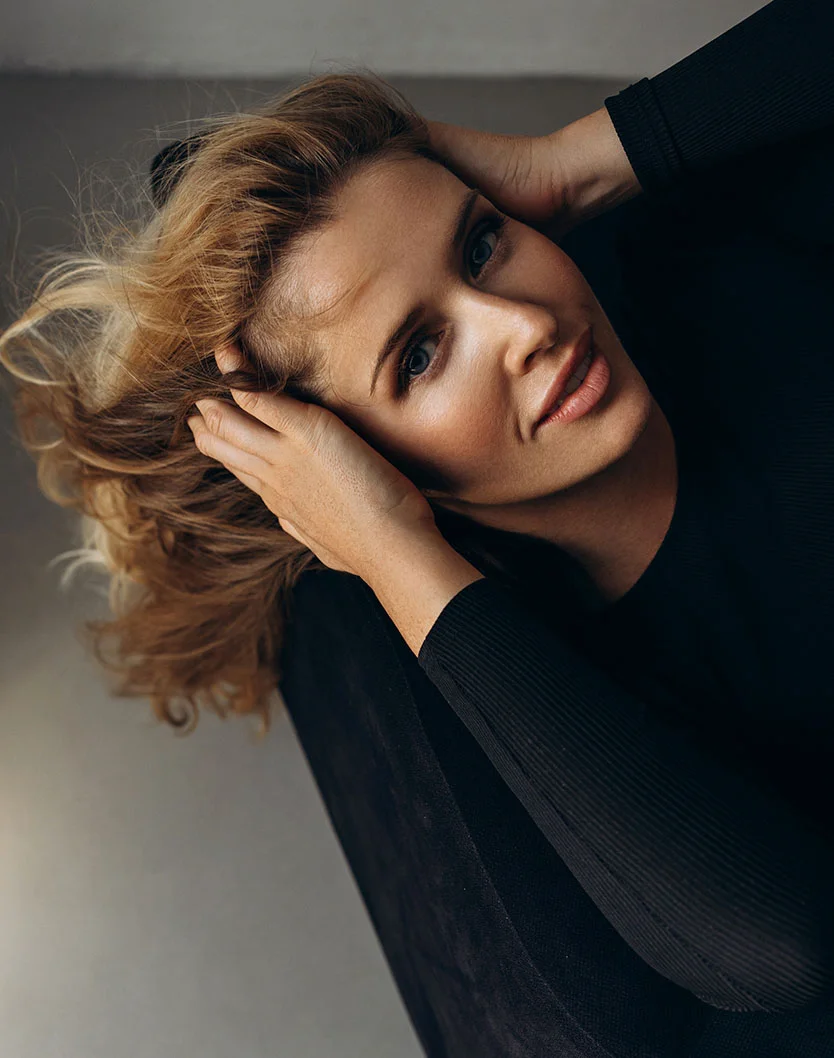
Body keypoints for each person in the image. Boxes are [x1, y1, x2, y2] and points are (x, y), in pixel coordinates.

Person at [1, 0, 833, 1054]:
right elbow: (783, 947)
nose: (528, 326)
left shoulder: (733, 254)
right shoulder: (552, 676)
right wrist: (396, 555)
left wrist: (584, 160)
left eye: (482, 243)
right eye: (420, 356)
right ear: (358, 466)